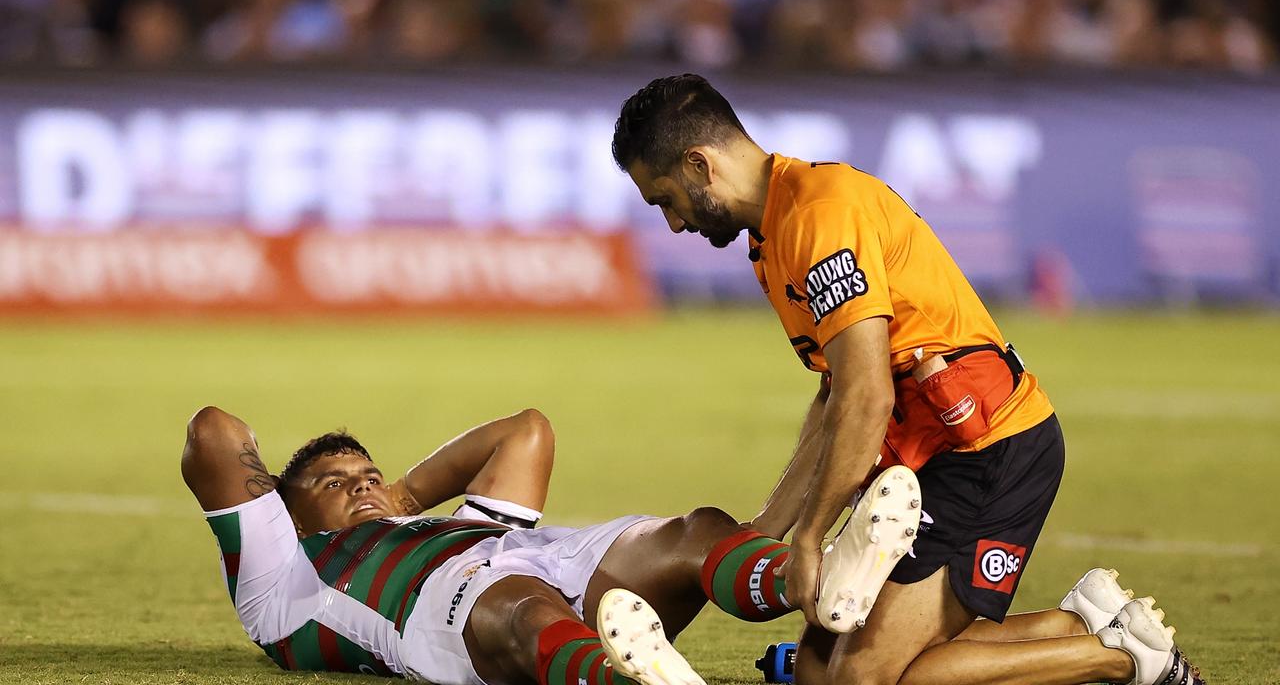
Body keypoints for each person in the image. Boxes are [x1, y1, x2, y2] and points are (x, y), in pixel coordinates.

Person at [611, 74, 1203, 685]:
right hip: (927, 458)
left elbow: (869, 395)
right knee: (816, 669)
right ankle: (1075, 627)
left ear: (698, 164)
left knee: (869, 679)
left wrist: (812, 535)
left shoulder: (821, 214)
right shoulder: (773, 238)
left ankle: (1129, 659)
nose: (674, 224)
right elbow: (835, 392)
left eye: (665, 200)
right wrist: (770, 528)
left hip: (986, 448)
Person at [180, 405, 921, 685]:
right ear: (288, 510)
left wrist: (398, 499)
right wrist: (277, 504)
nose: (362, 484)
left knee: (696, 532)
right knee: (525, 607)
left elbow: (524, 430)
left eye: (369, 473)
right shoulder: (283, 579)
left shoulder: (435, 520)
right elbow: (215, 430)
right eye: (335, 483)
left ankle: (812, 584)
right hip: (436, 614)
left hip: (530, 551)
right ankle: (619, 675)